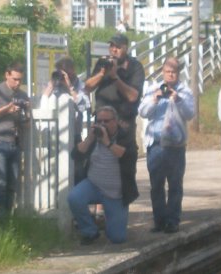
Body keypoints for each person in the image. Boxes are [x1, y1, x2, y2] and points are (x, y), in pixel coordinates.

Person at [85, 33, 145, 220]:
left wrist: (115, 77)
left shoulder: (135, 67)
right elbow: (87, 87)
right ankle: (98, 210)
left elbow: (133, 96)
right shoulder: (103, 64)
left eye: (118, 46)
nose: (114, 49)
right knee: (96, 165)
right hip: (101, 123)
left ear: (126, 47)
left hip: (123, 126)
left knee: (124, 168)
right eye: (112, 46)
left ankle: (119, 212)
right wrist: (103, 73)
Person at [138, 57, 195, 234]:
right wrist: (155, 99)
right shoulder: (153, 89)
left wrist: (177, 99)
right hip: (155, 143)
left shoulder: (184, 91)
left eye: (174, 72)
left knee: (175, 184)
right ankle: (159, 221)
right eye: (167, 72)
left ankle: (172, 220)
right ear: (162, 72)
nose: (170, 75)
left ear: (178, 73)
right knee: (156, 185)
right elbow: (143, 112)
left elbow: (190, 114)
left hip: (175, 145)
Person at [68, 106, 139, 245]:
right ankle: (89, 231)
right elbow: (75, 155)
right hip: (93, 185)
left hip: (116, 193)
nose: (102, 125)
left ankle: (111, 222)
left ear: (115, 121)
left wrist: (107, 142)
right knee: (74, 197)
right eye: (99, 121)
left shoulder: (125, 135)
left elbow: (125, 155)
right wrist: (89, 139)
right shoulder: (95, 136)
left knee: (117, 238)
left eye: (106, 121)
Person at [0, 62, 30, 222]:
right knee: (0, 183)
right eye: (15, 79)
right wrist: (6, 109)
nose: (17, 83)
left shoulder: (22, 95)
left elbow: (27, 124)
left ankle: (6, 222)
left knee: (11, 186)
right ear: (7, 75)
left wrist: (26, 112)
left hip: (14, 143)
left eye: (20, 80)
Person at [40, 56, 91, 184]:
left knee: (77, 172)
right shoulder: (54, 87)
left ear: (72, 70)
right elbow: (43, 107)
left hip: (74, 136)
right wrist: (51, 85)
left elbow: (84, 106)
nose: (62, 75)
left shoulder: (80, 86)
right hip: (55, 136)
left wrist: (70, 87)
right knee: (55, 172)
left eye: (64, 72)